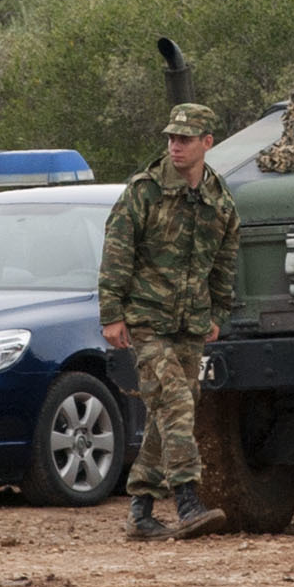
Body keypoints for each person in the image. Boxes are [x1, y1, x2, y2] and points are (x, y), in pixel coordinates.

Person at [99, 102, 241, 542]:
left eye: (184, 139)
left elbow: (224, 260)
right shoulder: (145, 191)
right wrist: (112, 314)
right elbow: (117, 252)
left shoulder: (218, 199)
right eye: (171, 138)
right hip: (147, 320)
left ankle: (141, 511)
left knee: (167, 414)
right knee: (176, 403)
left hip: (190, 323)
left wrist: (217, 313)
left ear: (206, 143)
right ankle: (187, 500)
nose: (174, 146)